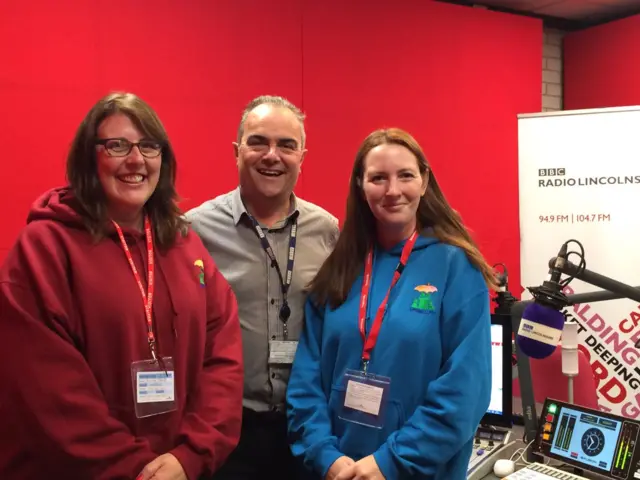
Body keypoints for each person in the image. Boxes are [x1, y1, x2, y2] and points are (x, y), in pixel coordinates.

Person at [0, 92, 244, 480]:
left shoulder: (183, 243)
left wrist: (192, 453)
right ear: (88, 157)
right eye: (117, 145)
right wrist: (137, 471)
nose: (136, 160)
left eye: (149, 146)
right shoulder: (44, 248)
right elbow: (49, 394)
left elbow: (223, 355)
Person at [286, 128, 498, 480]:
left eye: (405, 176)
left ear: (425, 180)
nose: (393, 190)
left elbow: (465, 389)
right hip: (337, 471)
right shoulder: (340, 267)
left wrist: (389, 463)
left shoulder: (456, 268)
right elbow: (306, 380)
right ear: (360, 185)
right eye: (378, 178)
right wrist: (325, 456)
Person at [186, 95, 339, 479]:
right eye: (258, 142)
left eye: (287, 145)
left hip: (308, 429)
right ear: (237, 152)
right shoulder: (194, 231)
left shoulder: (328, 231)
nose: (272, 155)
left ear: (302, 156)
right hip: (228, 431)